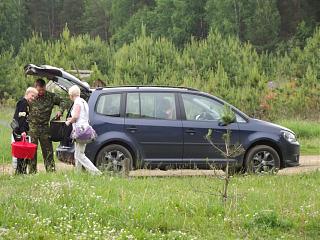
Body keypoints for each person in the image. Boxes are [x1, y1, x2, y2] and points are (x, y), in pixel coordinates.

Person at [28, 78, 67, 173]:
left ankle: (51, 171)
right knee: (32, 151)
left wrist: (60, 111)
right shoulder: (32, 97)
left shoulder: (50, 96)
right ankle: (32, 172)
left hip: (45, 128)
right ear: (35, 88)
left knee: (48, 151)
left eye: (43, 90)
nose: (41, 92)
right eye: (39, 90)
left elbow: (63, 101)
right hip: (32, 128)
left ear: (45, 87)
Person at [66, 85, 102, 175]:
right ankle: (77, 174)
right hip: (85, 128)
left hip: (80, 130)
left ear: (71, 95)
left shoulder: (77, 102)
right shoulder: (83, 102)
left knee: (80, 155)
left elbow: (76, 116)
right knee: (77, 153)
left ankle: (96, 173)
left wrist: (69, 121)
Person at [12, 87, 38, 174]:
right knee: (21, 153)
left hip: (21, 130)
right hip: (20, 131)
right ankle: (21, 172)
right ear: (27, 93)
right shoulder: (23, 103)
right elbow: (21, 118)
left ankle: (21, 171)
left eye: (35, 97)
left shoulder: (26, 103)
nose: (33, 98)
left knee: (22, 152)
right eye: (32, 96)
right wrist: (23, 131)